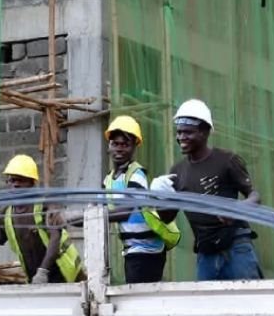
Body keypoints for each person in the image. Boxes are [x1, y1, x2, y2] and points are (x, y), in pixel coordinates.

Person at [169, 99, 260, 281]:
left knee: (248, 302)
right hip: (206, 252)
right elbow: (167, 216)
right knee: (207, 307)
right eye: (179, 132)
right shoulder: (177, 172)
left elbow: (255, 195)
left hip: (235, 247)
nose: (181, 137)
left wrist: (236, 210)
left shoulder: (227, 160)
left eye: (188, 132)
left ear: (204, 132)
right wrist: (162, 196)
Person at [0, 152, 83, 282]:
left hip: (67, 274)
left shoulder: (44, 205)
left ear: (32, 183)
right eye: (11, 180)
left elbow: (55, 237)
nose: (15, 185)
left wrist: (43, 271)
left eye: (20, 180)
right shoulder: (5, 213)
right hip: (37, 280)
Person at [102, 115, 167, 283]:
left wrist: (81, 218)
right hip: (132, 248)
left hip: (147, 250)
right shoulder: (109, 180)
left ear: (134, 147)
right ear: (109, 146)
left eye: (125, 144)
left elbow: (125, 212)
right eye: (115, 143)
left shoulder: (136, 175)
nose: (119, 149)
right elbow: (99, 209)